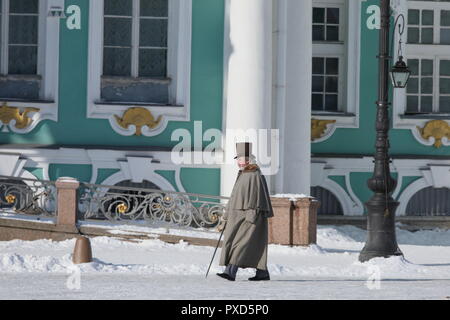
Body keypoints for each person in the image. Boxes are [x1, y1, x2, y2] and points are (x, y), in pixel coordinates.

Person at [216, 142, 274, 281]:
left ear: (248, 160)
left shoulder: (254, 175)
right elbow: (235, 196)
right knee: (250, 244)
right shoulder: (243, 174)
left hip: (250, 216)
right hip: (238, 216)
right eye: (238, 159)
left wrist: (251, 214)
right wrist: (226, 216)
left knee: (240, 243)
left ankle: (230, 272)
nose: (238, 162)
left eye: (240, 159)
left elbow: (257, 195)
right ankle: (262, 272)